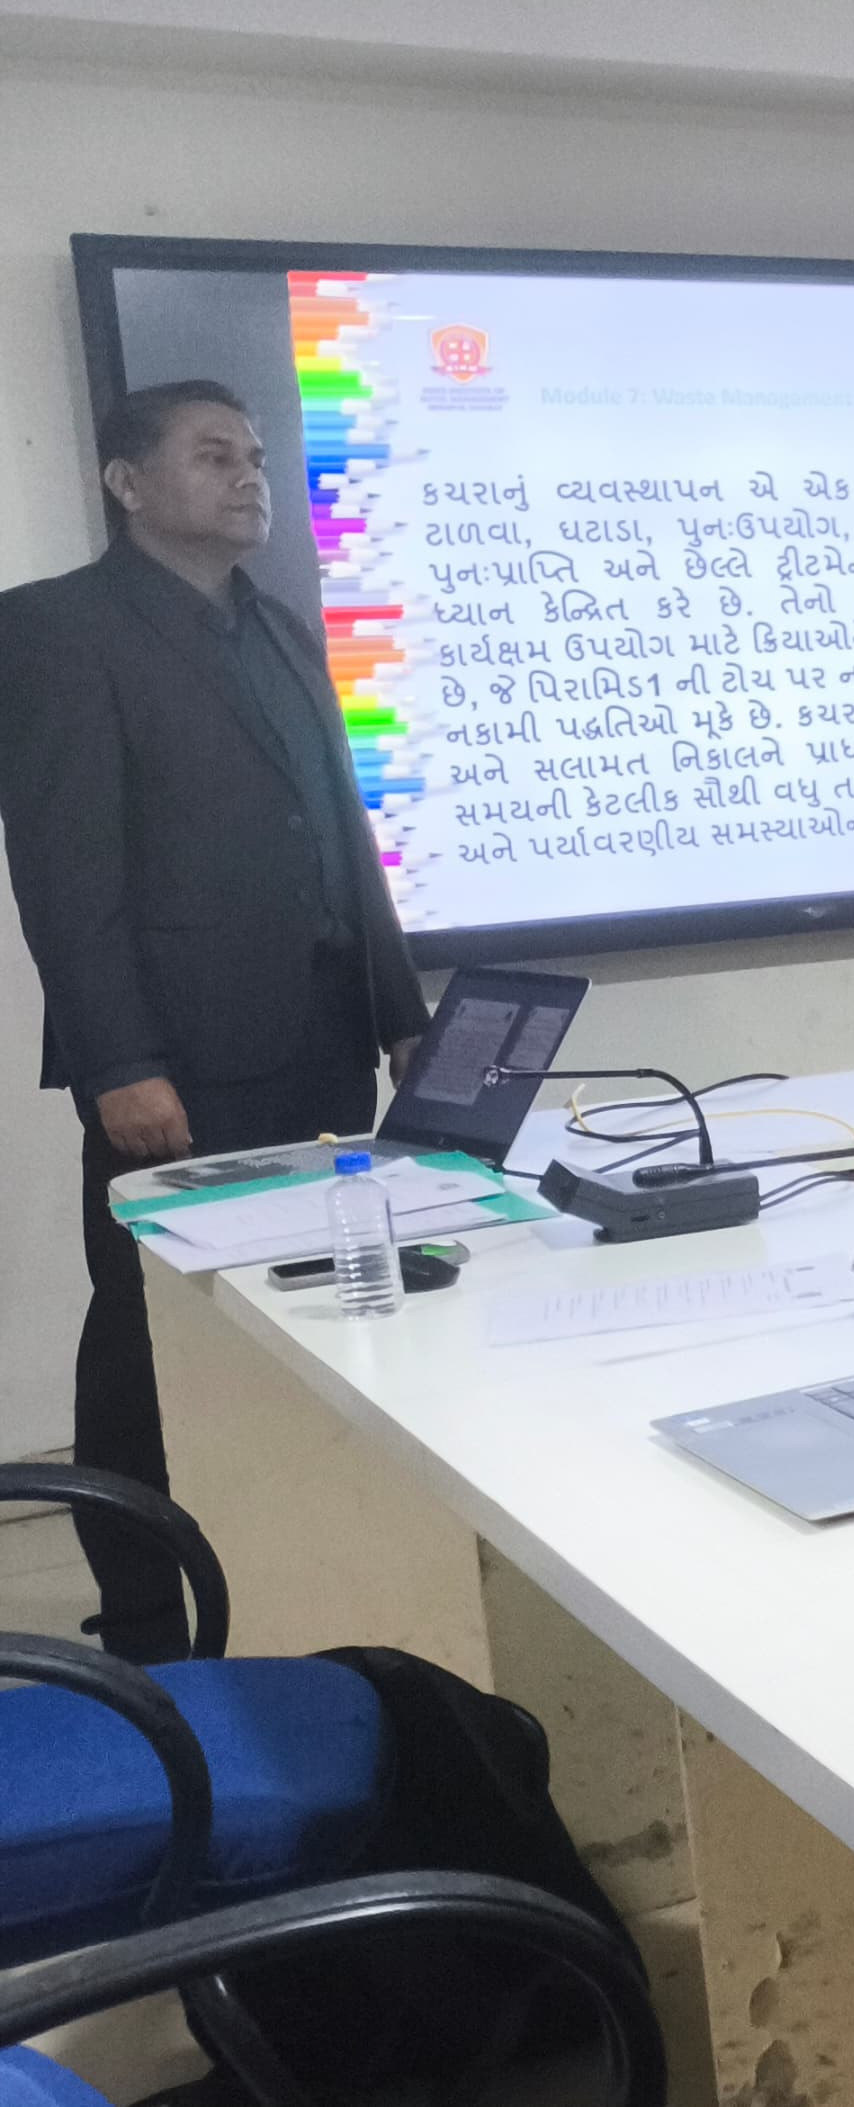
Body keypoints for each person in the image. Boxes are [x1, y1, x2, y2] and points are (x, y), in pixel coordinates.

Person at [0, 380, 429, 1662]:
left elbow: (342, 832)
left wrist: (403, 1014)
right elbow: (65, 871)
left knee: (309, 1317)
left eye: (255, 456)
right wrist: (119, 1062)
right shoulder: (56, 629)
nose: (249, 475)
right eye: (212, 454)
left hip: (319, 1045)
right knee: (146, 1339)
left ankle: (299, 1562)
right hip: (177, 1067)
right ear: (128, 483)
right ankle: (142, 1616)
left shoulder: (281, 625)